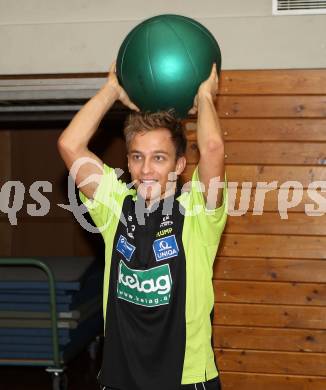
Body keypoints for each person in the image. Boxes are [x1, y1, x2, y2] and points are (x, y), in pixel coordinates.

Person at [57, 61, 227, 390]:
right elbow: (70, 146)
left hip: (188, 378)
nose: (146, 169)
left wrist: (205, 96)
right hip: (122, 378)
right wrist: (112, 90)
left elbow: (212, 148)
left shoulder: (198, 213)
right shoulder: (114, 206)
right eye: (137, 156)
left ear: (179, 165)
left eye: (159, 158)